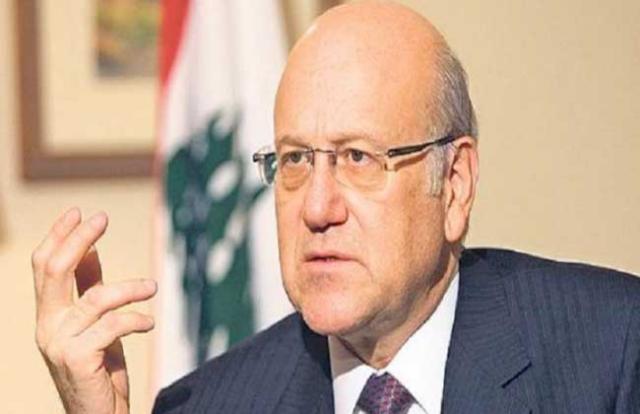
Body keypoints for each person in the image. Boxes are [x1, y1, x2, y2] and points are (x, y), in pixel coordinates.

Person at [32, 1, 639, 413]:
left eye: (358, 158)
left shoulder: (612, 352)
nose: (318, 208)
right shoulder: (210, 404)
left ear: (454, 184)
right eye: (295, 159)